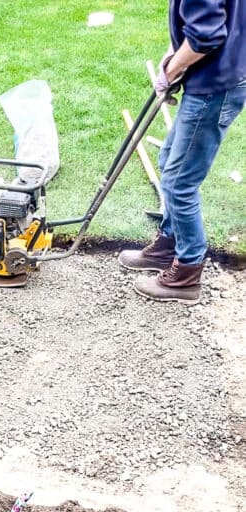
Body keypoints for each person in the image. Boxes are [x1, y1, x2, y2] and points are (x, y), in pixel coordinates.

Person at [119, 0, 246, 304]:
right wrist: (172, 56)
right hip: (218, 76)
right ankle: (169, 243)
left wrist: (172, 69)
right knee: (168, 163)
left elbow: (207, 35)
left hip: (214, 86)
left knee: (179, 181)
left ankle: (187, 274)